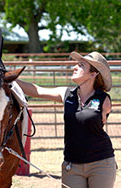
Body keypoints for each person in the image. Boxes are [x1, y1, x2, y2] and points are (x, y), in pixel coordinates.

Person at [17, 51, 116, 188]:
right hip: (72, 165)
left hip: (101, 163)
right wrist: (9, 78)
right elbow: (37, 91)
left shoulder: (103, 100)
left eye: (81, 65)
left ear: (93, 74)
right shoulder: (67, 94)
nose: (75, 67)